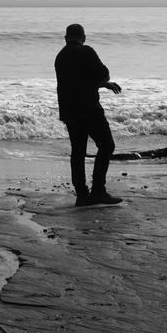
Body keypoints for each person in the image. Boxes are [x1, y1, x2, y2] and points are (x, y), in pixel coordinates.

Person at [54, 23, 123, 206]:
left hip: (69, 110)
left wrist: (101, 84)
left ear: (65, 38)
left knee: (78, 152)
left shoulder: (60, 56)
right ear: (83, 37)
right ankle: (98, 191)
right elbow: (104, 74)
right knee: (107, 146)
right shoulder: (86, 51)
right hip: (88, 108)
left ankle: (82, 195)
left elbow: (76, 82)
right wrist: (104, 81)